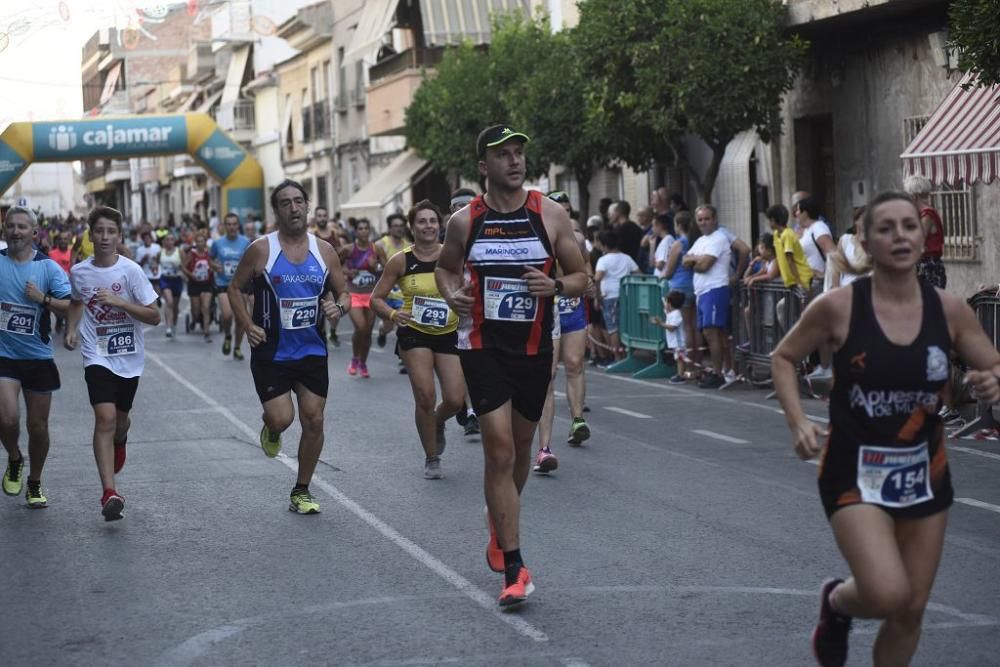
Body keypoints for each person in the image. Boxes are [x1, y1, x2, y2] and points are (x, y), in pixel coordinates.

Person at [772, 191, 1000, 667]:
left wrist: (990, 381)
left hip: (924, 472)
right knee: (885, 591)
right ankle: (837, 604)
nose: (900, 236)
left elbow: (992, 365)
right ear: (865, 243)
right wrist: (797, 421)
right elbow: (784, 358)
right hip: (853, 469)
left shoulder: (950, 310)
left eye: (909, 226)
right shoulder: (837, 308)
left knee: (910, 609)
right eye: (885, 228)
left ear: (923, 237)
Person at [435, 124, 588, 608]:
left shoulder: (550, 213)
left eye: (520, 152)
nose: (515, 161)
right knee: (498, 450)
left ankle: (499, 522)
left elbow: (581, 274)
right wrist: (450, 294)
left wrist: (558, 288)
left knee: (520, 449)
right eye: (504, 155)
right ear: (484, 167)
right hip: (481, 345)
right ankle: (516, 567)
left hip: (533, 348)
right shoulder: (466, 220)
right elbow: (444, 267)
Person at [227, 179, 350, 514]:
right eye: (285, 203)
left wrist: (338, 308)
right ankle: (271, 427)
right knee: (283, 419)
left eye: (299, 201)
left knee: (314, 420)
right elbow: (235, 289)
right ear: (276, 210)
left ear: (307, 205)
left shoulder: (324, 251)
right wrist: (247, 324)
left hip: (311, 350)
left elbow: (344, 293)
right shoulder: (261, 249)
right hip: (271, 352)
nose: (293, 208)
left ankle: (302, 489)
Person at [65, 206, 161, 521]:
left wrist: (121, 302)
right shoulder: (79, 272)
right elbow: (77, 302)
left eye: (111, 232)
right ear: (90, 235)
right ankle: (109, 492)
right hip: (97, 353)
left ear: (119, 236)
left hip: (129, 356)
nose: (105, 237)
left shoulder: (131, 271)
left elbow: (155, 315)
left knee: (120, 420)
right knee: (104, 417)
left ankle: (121, 438)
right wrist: (70, 329)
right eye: (100, 231)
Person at [371, 201, 464, 479]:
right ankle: (431, 456)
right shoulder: (401, 260)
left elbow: (471, 286)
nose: (428, 226)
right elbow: (376, 298)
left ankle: (436, 422)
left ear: (441, 224)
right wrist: (393, 313)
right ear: (413, 227)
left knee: (455, 400)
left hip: (449, 331)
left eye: (432, 221)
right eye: (421, 221)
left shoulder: (453, 257)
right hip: (414, 332)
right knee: (425, 395)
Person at [0, 207, 72, 509]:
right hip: (4, 354)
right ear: (4, 231)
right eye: (10, 226)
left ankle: (35, 481)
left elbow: (71, 306)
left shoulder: (48, 268)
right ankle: (15, 457)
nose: (16, 231)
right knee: (7, 418)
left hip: (39, 357)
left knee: (38, 427)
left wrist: (42, 298)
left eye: (22, 227)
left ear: (34, 232)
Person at [533, 191, 595, 474]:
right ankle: (544, 449)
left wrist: (588, 283)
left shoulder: (579, 239)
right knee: (547, 374)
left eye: (567, 208)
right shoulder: (537, 235)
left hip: (572, 306)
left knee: (574, 364)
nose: (564, 213)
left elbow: (586, 272)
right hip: (548, 307)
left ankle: (578, 419)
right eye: (559, 208)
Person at [681, 205, 732, 388]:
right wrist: (696, 260)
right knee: (707, 332)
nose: (703, 222)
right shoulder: (701, 241)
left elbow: (704, 266)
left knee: (713, 332)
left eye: (707, 218)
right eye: (700, 219)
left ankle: (718, 373)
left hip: (715, 288)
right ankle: (718, 370)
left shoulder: (719, 238)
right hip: (702, 292)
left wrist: (695, 260)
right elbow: (685, 260)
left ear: (715, 219)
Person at [448, 189, 481, 435]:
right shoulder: (444, 237)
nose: (462, 210)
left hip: (484, 313)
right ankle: (469, 410)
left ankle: (470, 407)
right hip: (454, 314)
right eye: (457, 206)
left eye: (467, 205)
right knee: (466, 367)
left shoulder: (488, 234)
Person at [594, 228, 641, 362]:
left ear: (604, 245)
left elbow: (597, 278)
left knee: (612, 327)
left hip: (609, 296)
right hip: (626, 296)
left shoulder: (603, 260)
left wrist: (597, 297)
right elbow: (639, 274)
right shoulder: (627, 258)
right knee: (625, 326)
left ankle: (617, 357)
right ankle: (626, 355)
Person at [339, 219, 378, 378]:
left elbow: (388, 267)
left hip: (371, 295)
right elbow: (335, 264)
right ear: (355, 231)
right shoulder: (349, 249)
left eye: (366, 228)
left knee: (367, 332)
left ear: (369, 230)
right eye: (360, 228)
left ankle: (363, 362)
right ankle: (355, 358)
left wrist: (376, 266)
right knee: (361, 327)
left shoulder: (376, 249)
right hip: (353, 293)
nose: (363, 231)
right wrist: (347, 272)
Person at [210, 213, 251, 359]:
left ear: (238, 226)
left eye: (234, 224)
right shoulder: (218, 243)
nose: (232, 227)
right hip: (223, 283)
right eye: (229, 224)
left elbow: (251, 262)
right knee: (227, 315)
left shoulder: (245, 242)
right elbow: (210, 259)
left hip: (241, 284)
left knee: (241, 318)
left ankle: (237, 347)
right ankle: (228, 335)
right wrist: (215, 266)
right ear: (224, 226)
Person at [663, 211, 699, 372]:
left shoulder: (678, 243)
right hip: (693, 284)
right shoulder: (694, 241)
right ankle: (696, 363)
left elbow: (669, 270)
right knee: (693, 326)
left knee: (684, 328)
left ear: (678, 225)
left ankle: (688, 366)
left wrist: (662, 275)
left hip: (678, 286)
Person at [374, 213, 413, 348]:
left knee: (404, 323)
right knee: (388, 326)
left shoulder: (409, 246)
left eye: (401, 226)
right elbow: (373, 266)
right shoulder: (380, 245)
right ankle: (382, 332)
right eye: (395, 226)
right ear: (390, 228)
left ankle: (403, 358)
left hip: (403, 293)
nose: (399, 229)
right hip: (385, 292)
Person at [903, 175, 947, 289]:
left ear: (914, 196)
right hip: (926, 266)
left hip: (929, 267)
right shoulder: (923, 214)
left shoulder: (927, 215)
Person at [182, 231, 214, 343]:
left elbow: (212, 264)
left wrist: (212, 268)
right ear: (196, 243)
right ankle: (194, 320)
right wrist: (192, 276)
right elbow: (184, 267)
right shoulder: (192, 254)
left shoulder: (208, 253)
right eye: (198, 241)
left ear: (205, 242)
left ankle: (206, 332)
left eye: (202, 241)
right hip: (194, 284)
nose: (200, 243)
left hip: (206, 283)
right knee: (196, 311)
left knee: (205, 307)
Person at [651, 290, 687, 385]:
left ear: (670, 303)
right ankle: (680, 374)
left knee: (680, 359)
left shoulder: (677, 314)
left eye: (666, 302)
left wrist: (661, 324)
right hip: (675, 342)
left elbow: (672, 328)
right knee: (678, 358)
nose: (665, 304)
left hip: (679, 342)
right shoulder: (671, 313)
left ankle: (681, 375)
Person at [157, 233, 183, 338]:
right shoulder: (161, 252)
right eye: (167, 240)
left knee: (175, 307)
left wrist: (178, 266)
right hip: (165, 280)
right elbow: (156, 263)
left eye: (171, 240)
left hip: (177, 280)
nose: (169, 242)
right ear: (164, 241)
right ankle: (168, 327)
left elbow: (185, 265)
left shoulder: (179, 251)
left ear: (174, 241)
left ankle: (174, 325)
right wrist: (155, 267)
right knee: (169, 302)